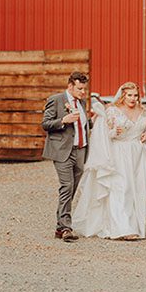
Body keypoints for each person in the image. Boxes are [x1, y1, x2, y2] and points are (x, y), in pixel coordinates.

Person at [73, 82, 146, 240]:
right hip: (118, 154)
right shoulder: (113, 111)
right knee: (121, 189)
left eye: (135, 95)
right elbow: (101, 133)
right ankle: (122, 228)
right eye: (129, 95)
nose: (133, 99)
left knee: (136, 190)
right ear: (123, 95)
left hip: (138, 155)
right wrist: (113, 133)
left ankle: (135, 226)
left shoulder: (143, 110)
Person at [42, 71, 90, 242]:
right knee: (67, 186)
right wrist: (64, 120)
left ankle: (59, 227)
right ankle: (66, 228)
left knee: (72, 189)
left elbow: (85, 126)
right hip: (62, 151)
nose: (83, 92)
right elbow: (45, 124)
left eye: (84, 88)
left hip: (80, 151)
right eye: (79, 88)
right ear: (70, 86)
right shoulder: (56, 100)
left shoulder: (82, 102)